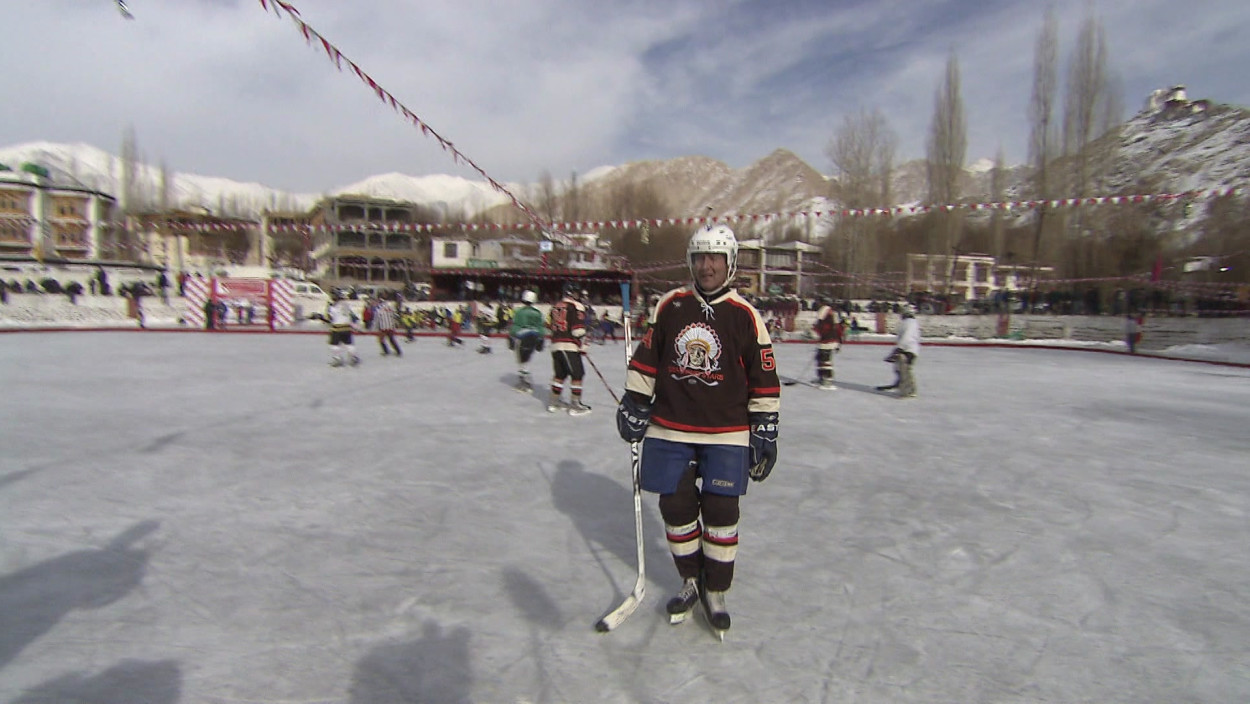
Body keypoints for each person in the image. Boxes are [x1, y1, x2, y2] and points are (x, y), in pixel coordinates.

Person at [614, 223, 781, 634]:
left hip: (727, 431)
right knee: (676, 508)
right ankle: (691, 580)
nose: (707, 266)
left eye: (715, 258)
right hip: (671, 427)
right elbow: (647, 359)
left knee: (723, 511)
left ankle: (716, 590)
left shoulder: (746, 315)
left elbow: (764, 377)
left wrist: (765, 427)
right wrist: (635, 401)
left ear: (730, 262)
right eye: (700, 258)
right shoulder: (670, 306)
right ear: (691, 261)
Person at [546, 283, 592, 415]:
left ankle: (554, 402)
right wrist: (584, 343)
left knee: (560, 374)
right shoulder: (576, 306)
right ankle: (575, 404)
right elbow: (578, 330)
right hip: (569, 345)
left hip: (555, 345)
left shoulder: (555, 306)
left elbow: (549, 324)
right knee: (577, 374)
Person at [878, 305, 920, 397]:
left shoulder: (910, 322)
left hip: (908, 350)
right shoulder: (908, 322)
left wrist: (899, 348)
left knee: (904, 370)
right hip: (907, 349)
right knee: (899, 368)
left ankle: (908, 390)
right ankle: (901, 386)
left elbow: (907, 336)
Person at [509, 290, 546, 392]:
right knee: (528, 358)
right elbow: (540, 327)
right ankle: (526, 378)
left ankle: (524, 381)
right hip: (534, 337)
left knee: (522, 360)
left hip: (522, 337)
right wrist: (541, 338)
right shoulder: (538, 313)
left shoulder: (519, 312)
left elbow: (515, 326)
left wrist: (511, 337)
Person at [811, 299, 844, 389]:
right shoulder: (833, 313)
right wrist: (839, 342)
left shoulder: (824, 313)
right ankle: (823, 378)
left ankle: (826, 380)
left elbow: (821, 328)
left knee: (824, 360)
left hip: (827, 340)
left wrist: (816, 331)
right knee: (823, 358)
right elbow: (839, 329)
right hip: (832, 340)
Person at [325, 291, 361, 367]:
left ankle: (337, 358)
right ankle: (353, 357)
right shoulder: (347, 306)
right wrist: (356, 327)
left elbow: (330, 318)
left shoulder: (332, 307)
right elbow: (353, 316)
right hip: (347, 327)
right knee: (349, 344)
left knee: (334, 344)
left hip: (337, 327)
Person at [373, 292, 402, 357]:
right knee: (391, 339)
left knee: (381, 339)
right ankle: (398, 351)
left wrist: (375, 327)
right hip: (390, 326)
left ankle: (385, 351)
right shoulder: (390, 307)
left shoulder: (379, 309)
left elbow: (377, 319)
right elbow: (395, 316)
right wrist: (395, 323)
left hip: (383, 327)